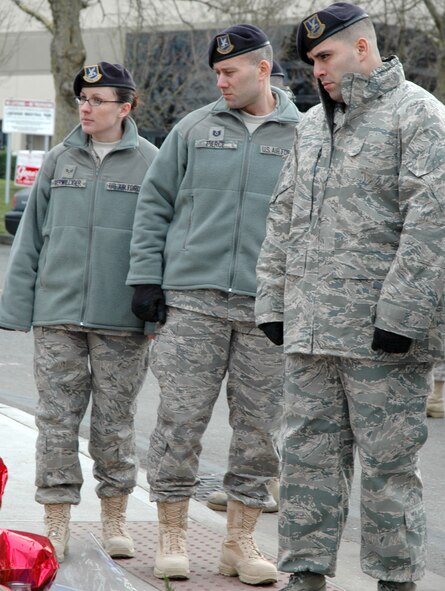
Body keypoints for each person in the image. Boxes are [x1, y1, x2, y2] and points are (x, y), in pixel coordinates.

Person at [255, 3, 445, 591]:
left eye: (325, 57)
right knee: (307, 457)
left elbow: (432, 222)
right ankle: (306, 576)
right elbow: (283, 215)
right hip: (311, 330)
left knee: (388, 468)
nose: (317, 71)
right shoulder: (312, 124)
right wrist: (272, 301)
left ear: (362, 49)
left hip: (381, 336)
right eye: (312, 62)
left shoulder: (419, 115)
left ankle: (395, 581)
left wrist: (402, 315)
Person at [127, 23, 301, 585]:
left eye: (230, 72)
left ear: (263, 68)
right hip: (193, 302)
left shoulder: (308, 133)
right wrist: (145, 281)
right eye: (216, 74)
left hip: (267, 308)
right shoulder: (194, 129)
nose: (221, 81)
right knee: (179, 420)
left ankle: (240, 542)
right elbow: (153, 204)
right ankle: (173, 532)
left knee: (259, 431)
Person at [0, 61, 158, 563]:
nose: (85, 108)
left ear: (125, 107)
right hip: (58, 315)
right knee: (56, 422)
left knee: (115, 423)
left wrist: (155, 309)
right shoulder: (58, 160)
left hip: (122, 320)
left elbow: (161, 241)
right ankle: (57, 520)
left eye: (97, 101)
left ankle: (114, 518)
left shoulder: (152, 162)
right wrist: (16, 307)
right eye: (81, 100)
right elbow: (31, 239)